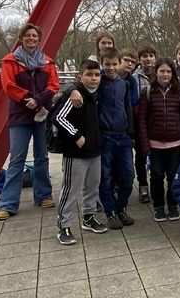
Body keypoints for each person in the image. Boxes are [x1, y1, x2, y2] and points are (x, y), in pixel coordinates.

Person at [0, 23, 59, 221]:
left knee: (42, 156)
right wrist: (28, 101)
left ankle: (43, 195)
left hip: (42, 114)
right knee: (16, 159)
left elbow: (53, 85)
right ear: (21, 38)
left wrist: (38, 101)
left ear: (39, 40)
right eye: (28, 35)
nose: (31, 38)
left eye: (34, 36)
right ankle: (8, 204)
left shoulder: (47, 62)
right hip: (20, 115)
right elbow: (8, 86)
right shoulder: (10, 61)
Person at [69, 48, 136, 229]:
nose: (111, 68)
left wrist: (131, 133)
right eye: (107, 64)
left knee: (128, 175)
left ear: (119, 62)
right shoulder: (99, 82)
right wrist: (72, 90)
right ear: (102, 63)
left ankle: (121, 207)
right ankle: (110, 211)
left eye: (114, 64)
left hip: (123, 136)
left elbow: (128, 109)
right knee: (104, 177)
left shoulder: (125, 84)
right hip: (105, 136)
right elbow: (77, 84)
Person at [53, 60, 108, 244]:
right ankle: (64, 225)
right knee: (71, 189)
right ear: (80, 77)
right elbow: (59, 118)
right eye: (89, 75)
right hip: (76, 153)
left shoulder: (96, 94)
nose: (94, 78)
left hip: (95, 150)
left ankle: (89, 217)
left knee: (92, 187)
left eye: (97, 75)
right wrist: (76, 135)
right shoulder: (75, 96)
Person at [138, 58, 180, 222]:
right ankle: (158, 206)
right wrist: (145, 145)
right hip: (155, 143)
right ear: (156, 72)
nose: (165, 74)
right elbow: (142, 120)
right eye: (162, 71)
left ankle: (173, 205)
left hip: (176, 143)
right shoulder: (147, 92)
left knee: (174, 175)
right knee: (156, 176)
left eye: (168, 71)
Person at [132, 43, 157, 203]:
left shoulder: (160, 73)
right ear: (139, 59)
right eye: (144, 56)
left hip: (157, 120)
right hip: (140, 120)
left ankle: (156, 185)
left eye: (151, 56)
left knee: (156, 156)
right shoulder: (135, 77)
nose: (148, 59)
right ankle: (143, 185)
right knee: (141, 155)